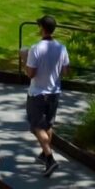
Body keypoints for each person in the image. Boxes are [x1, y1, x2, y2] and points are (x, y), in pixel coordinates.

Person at [23, 12, 70, 176]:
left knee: (37, 127)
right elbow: (65, 71)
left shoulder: (35, 49)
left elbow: (30, 74)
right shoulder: (61, 48)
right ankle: (44, 154)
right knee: (48, 125)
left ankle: (50, 158)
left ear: (42, 29)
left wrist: (23, 59)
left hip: (37, 93)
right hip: (54, 92)